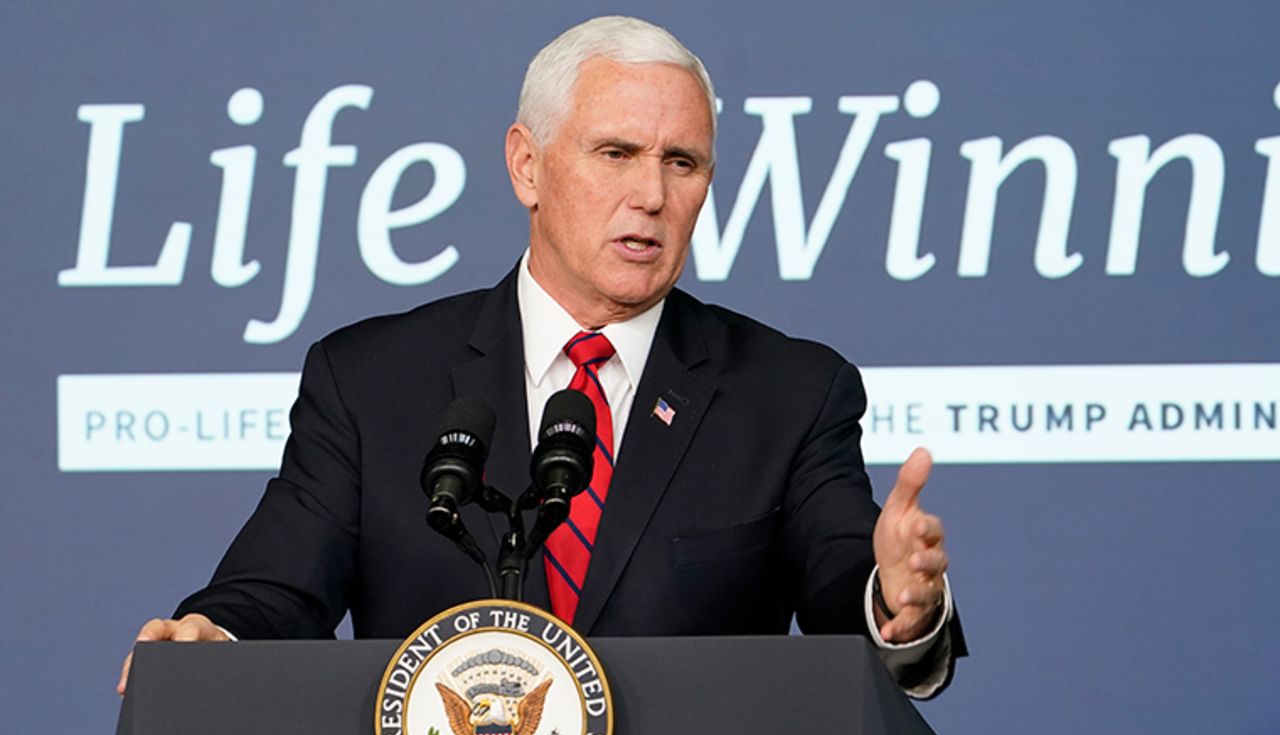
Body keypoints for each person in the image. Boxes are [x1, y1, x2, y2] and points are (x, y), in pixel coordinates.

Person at [119, 16, 965, 698]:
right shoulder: (371, 380)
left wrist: (898, 602)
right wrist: (209, 640)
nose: (651, 195)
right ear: (528, 166)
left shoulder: (791, 392)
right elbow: (276, 588)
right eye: (616, 154)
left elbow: (845, 587)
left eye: (683, 162)